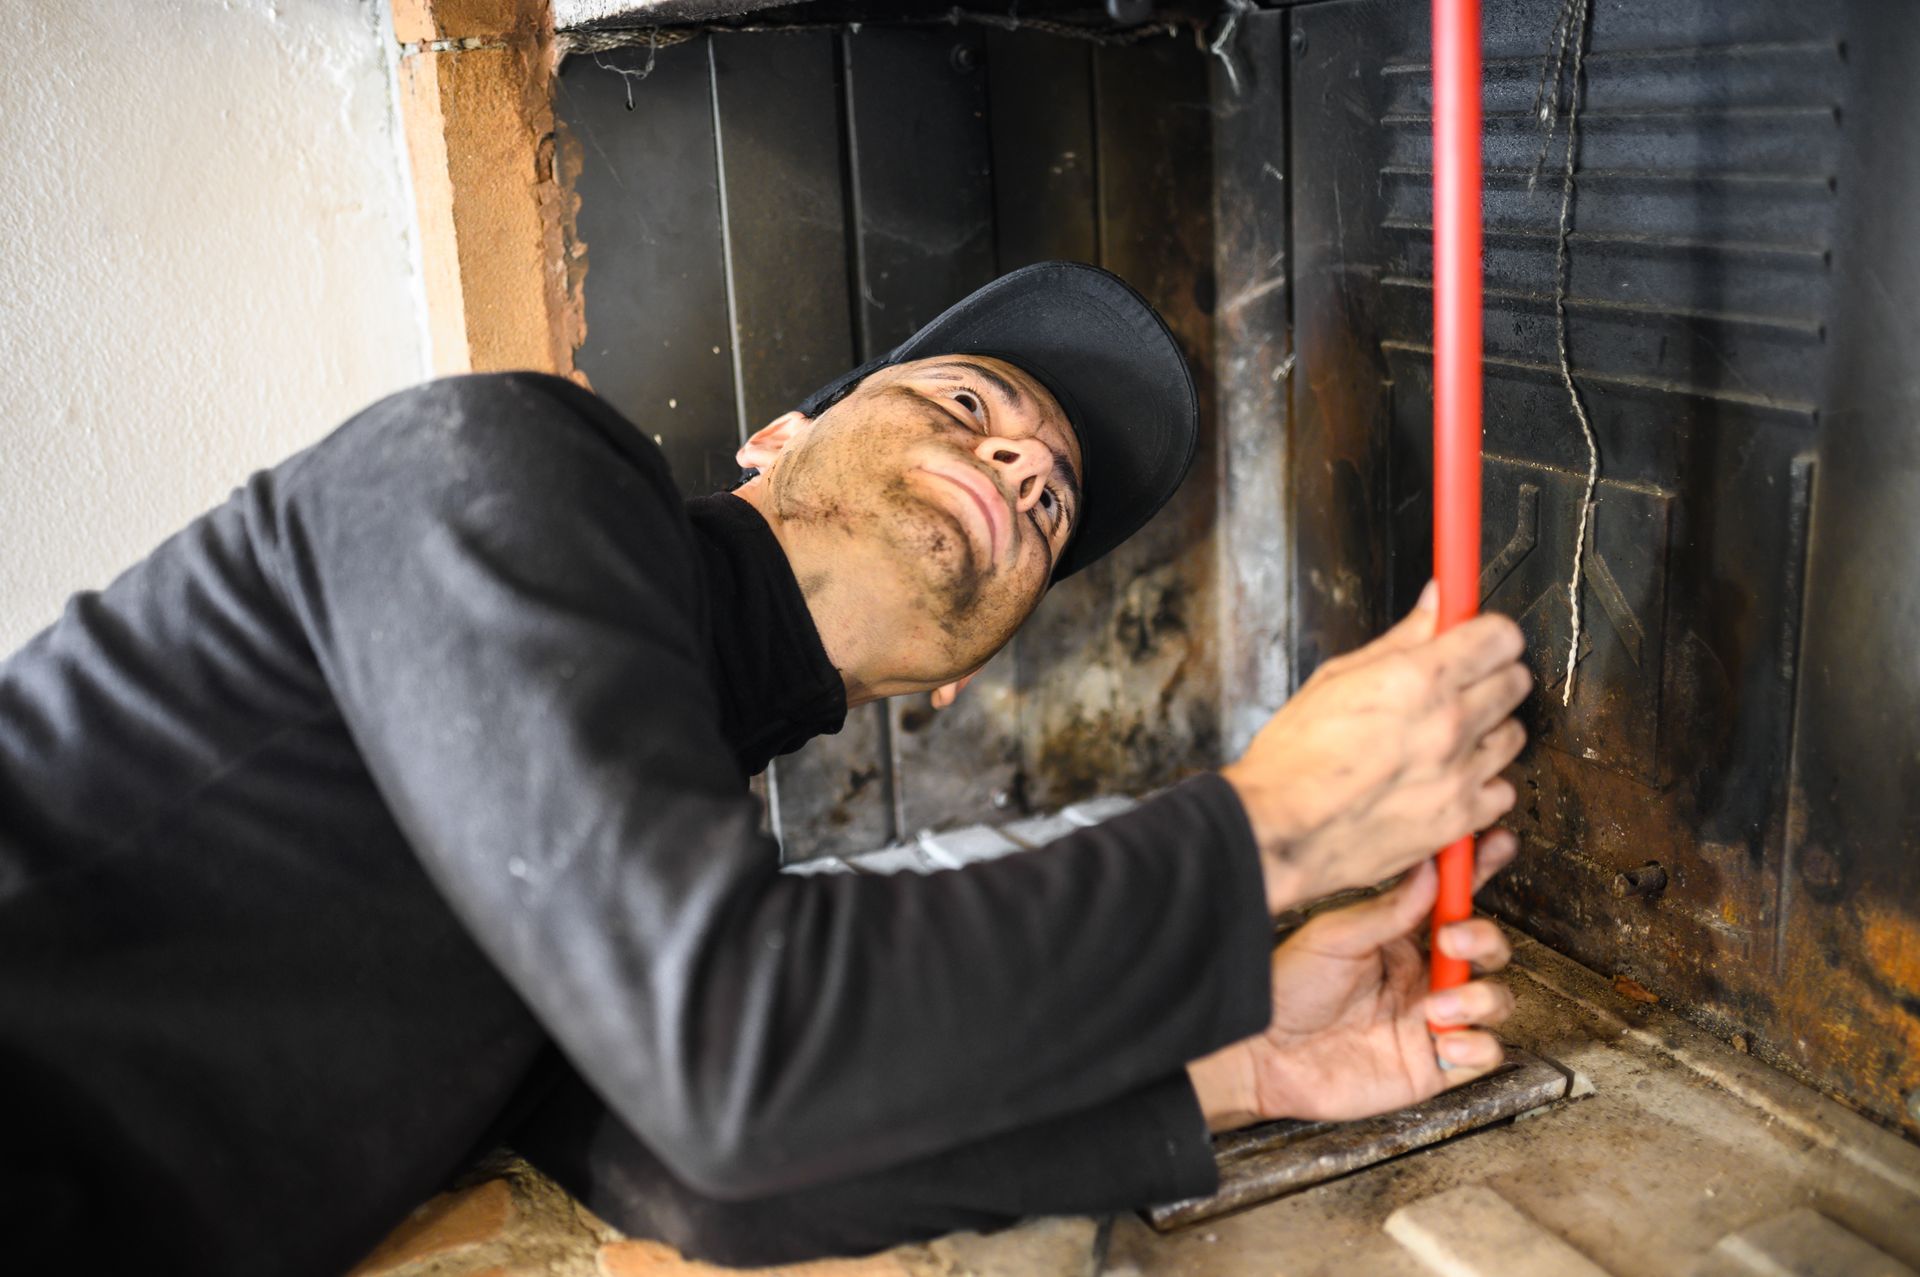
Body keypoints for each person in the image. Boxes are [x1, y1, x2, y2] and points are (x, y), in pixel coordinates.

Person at [0, 263, 1530, 1275]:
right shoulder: (510, 469)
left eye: (1052, 501)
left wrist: (1246, 1069)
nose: (1020, 462)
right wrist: (1270, 828)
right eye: (969, 402)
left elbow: (702, 1166)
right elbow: (731, 1057)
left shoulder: (631, 835)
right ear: (778, 437)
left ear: (961, 673)